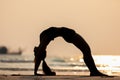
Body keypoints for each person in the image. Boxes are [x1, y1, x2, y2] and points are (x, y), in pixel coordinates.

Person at [34, 27, 108, 76]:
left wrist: (35, 72)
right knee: (86, 49)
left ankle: (93, 71)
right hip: (69, 34)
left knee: (86, 50)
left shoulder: (43, 38)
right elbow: (39, 55)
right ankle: (94, 71)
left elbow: (39, 55)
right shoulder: (45, 37)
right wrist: (35, 72)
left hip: (68, 34)